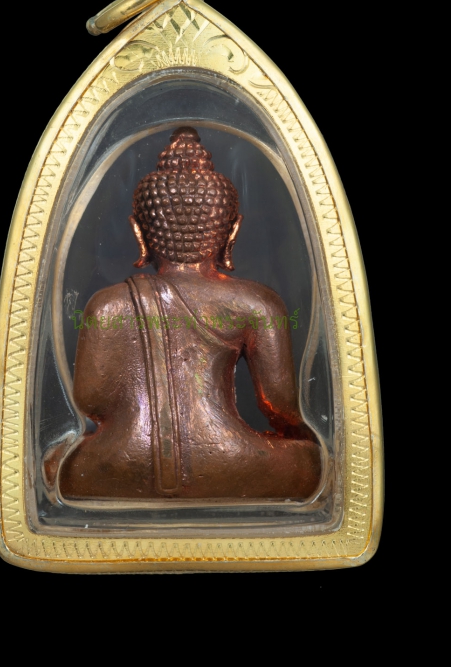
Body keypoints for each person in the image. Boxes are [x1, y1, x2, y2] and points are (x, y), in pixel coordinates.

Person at [52, 127, 322, 500]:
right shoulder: (256, 302)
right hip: (233, 459)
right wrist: (301, 439)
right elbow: (282, 408)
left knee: (59, 466)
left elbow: (91, 401)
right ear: (232, 232)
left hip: (122, 460)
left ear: (139, 232)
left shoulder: (107, 304)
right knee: (312, 464)